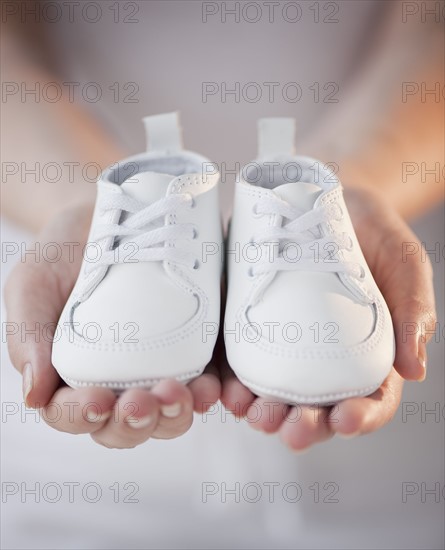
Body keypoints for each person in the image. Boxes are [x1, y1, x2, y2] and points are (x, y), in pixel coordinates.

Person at [2, 0, 443, 455]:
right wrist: (78, 203)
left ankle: (287, 205)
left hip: (391, 481)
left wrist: (360, 183)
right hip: (57, 491)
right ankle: (149, 220)